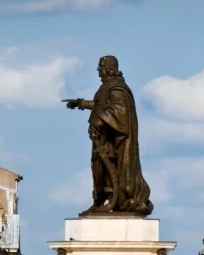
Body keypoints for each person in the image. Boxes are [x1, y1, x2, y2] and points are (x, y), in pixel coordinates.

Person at [64, 56, 153, 216]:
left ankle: (114, 200)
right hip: (106, 138)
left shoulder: (117, 89)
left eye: (101, 68)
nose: (99, 72)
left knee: (108, 170)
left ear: (109, 69)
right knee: (99, 169)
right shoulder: (108, 87)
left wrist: (98, 120)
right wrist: (82, 104)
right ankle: (100, 201)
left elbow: (119, 112)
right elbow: (102, 105)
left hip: (116, 141)